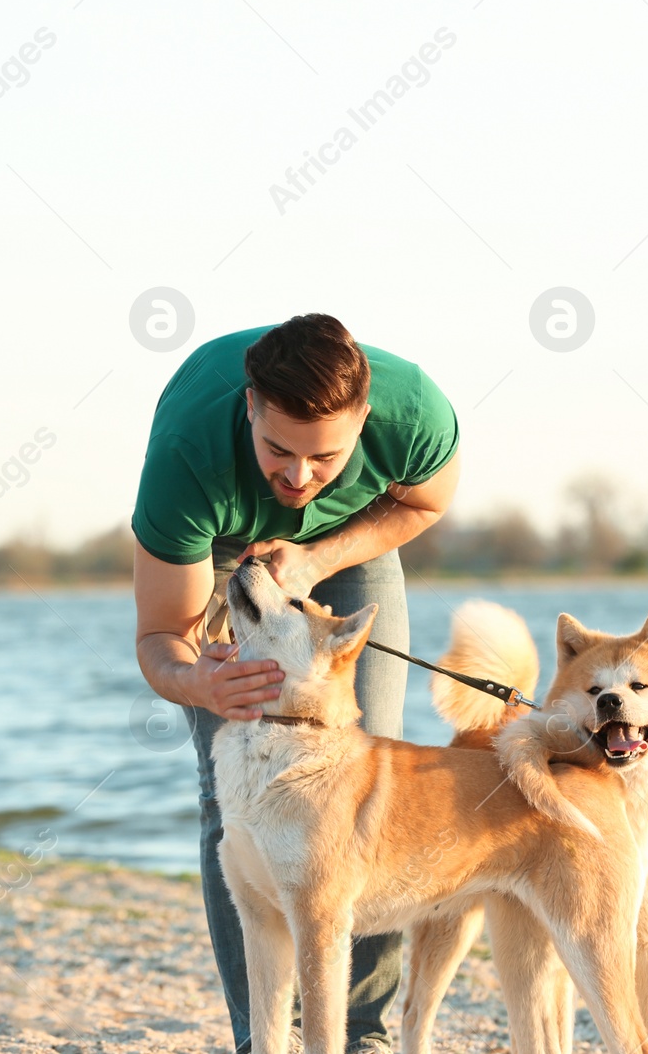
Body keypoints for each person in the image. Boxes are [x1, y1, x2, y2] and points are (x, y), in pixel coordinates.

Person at [131, 313, 460, 1054]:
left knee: (373, 783)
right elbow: (159, 640)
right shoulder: (189, 453)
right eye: (279, 449)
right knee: (234, 791)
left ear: (366, 423)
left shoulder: (416, 413)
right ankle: (263, 1039)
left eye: (325, 455)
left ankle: (362, 1035)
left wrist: (314, 560)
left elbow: (426, 500)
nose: (299, 476)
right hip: (222, 552)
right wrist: (198, 682)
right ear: (250, 406)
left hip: (348, 541)